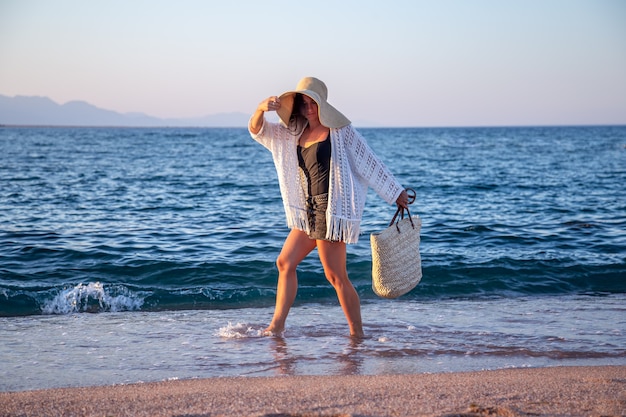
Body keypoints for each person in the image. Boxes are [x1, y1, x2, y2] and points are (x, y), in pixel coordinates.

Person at [249, 77, 409, 338]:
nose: (309, 107)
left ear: (322, 104)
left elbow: (370, 162)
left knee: (336, 277)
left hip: (330, 212)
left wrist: (396, 193)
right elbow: (259, 132)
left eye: (313, 102)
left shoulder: (341, 132)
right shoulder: (293, 131)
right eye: (304, 102)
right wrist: (259, 109)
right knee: (285, 263)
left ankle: (357, 333)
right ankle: (276, 326)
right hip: (307, 211)